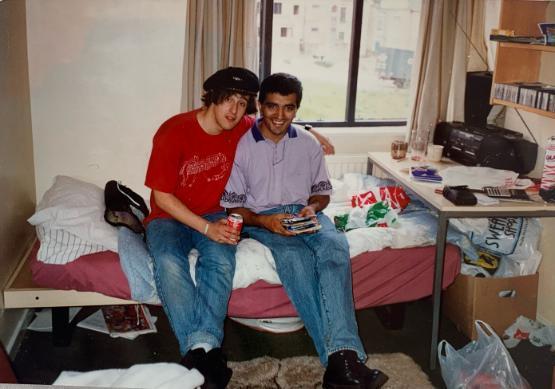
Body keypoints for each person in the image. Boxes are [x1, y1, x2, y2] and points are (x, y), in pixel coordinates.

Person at [144, 67, 335, 389]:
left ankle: (200, 354)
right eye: (227, 100)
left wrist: (312, 133)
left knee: (219, 262)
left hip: (218, 213)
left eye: (243, 101)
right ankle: (203, 352)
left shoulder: (241, 126)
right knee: (167, 262)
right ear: (211, 99)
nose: (234, 110)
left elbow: (278, 122)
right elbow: (162, 196)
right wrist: (206, 229)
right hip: (169, 217)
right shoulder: (174, 130)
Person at [220, 73, 389, 389]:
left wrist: (313, 208)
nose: (279, 116)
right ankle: (341, 360)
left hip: (305, 214)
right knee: (296, 260)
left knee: (334, 247)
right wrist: (263, 221)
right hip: (263, 220)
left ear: (297, 109)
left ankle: (341, 361)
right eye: (272, 107)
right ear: (260, 105)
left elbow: (323, 192)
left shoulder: (307, 143)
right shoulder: (242, 147)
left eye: (288, 108)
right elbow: (232, 207)